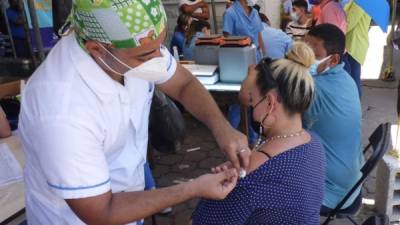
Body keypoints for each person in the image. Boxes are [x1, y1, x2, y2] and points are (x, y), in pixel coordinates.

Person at [18, 0, 252, 224]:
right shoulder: (62, 110)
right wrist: (193, 188)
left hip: (129, 200)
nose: (159, 59)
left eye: (159, 46)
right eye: (146, 56)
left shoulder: (134, 48)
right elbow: (101, 211)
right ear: (97, 50)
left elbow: (183, 84)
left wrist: (222, 128)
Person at [191, 42, 326, 225]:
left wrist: (198, 188)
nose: (251, 109)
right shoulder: (314, 142)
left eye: (253, 100)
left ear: (270, 104)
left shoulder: (252, 175)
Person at [304, 24, 363, 212]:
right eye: (303, 48)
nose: (305, 58)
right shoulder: (346, 79)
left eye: (313, 53)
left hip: (332, 193)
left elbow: (281, 128)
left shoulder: (314, 88)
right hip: (351, 182)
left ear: (334, 60)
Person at [343, 0, 371, 97]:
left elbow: (350, 22)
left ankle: (356, 108)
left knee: (353, 80)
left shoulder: (361, 2)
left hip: (354, 44)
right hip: (352, 43)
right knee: (352, 79)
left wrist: (336, 30)